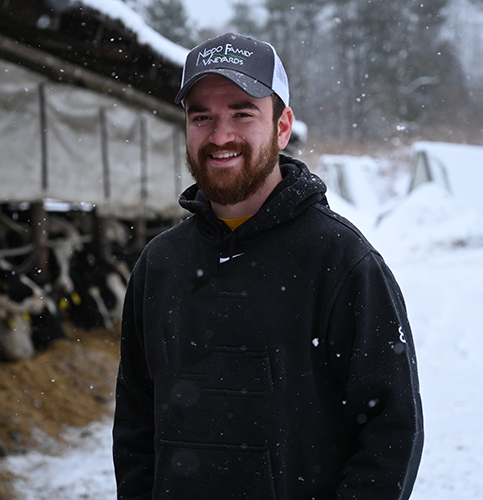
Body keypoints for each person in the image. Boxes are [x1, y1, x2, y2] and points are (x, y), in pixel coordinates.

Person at [112, 32, 423, 499]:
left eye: (242, 112)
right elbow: (136, 426)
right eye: (202, 117)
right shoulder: (160, 265)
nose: (220, 137)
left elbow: (391, 431)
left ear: (282, 127)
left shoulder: (341, 261)